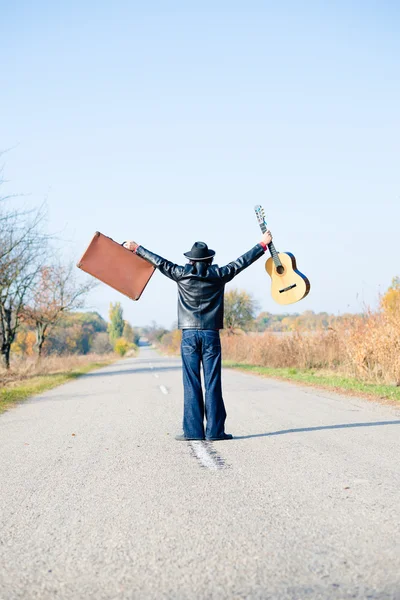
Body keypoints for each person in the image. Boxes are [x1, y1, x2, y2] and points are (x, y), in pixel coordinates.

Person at [123, 228, 272, 441]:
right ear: (210, 260)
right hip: (211, 334)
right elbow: (242, 262)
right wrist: (262, 245)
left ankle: (193, 432)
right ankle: (215, 431)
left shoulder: (181, 274)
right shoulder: (220, 274)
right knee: (212, 381)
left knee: (191, 382)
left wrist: (136, 248)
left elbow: (159, 262)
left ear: (191, 261)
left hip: (189, 335)